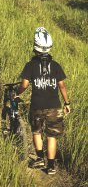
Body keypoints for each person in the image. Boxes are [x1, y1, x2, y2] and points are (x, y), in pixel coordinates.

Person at [16, 27, 70, 175]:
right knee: (52, 136)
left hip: (37, 106)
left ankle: (40, 159)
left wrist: (17, 93)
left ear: (35, 47)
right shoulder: (56, 65)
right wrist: (67, 103)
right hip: (54, 107)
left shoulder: (30, 65)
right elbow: (62, 86)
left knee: (36, 132)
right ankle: (51, 167)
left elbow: (24, 85)